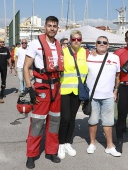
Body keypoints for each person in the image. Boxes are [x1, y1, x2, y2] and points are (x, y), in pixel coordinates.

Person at [23, 16, 64, 169]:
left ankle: (51, 151)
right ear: (45, 27)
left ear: (57, 28)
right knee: (37, 123)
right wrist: (29, 89)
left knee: (54, 122)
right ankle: (31, 155)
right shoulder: (35, 43)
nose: (52, 28)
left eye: (54, 26)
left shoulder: (59, 45)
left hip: (56, 88)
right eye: (49, 25)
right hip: (41, 88)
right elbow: (26, 67)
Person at [85, 36, 121, 157]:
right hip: (92, 96)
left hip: (108, 96)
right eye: (99, 42)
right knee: (93, 120)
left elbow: (118, 76)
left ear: (108, 45)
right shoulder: (89, 56)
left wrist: (116, 90)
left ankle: (110, 146)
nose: (102, 44)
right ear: (95, 44)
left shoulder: (115, 58)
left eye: (104, 42)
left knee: (108, 122)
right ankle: (92, 143)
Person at [57, 30, 89, 159]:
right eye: (74, 39)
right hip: (64, 90)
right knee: (64, 118)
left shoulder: (85, 53)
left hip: (78, 91)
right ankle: (60, 144)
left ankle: (67, 142)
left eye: (79, 39)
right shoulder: (63, 52)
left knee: (72, 118)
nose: (76, 41)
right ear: (70, 40)